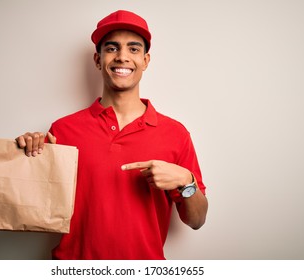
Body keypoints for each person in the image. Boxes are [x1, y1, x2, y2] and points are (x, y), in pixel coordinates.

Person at [16, 10, 208, 260]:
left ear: (146, 60)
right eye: (112, 48)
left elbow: (196, 220)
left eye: (134, 49)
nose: (122, 57)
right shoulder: (63, 129)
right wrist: (29, 156)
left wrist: (186, 181)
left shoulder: (175, 133)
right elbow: (39, 208)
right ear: (97, 59)